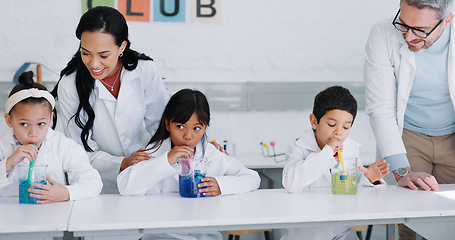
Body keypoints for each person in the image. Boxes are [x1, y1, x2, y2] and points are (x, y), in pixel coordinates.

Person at [52, 6, 169, 193]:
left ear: (122, 47)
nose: (94, 63)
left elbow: (163, 129)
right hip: (98, 183)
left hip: (147, 177)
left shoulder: (145, 71)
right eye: (86, 53)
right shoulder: (70, 85)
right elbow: (79, 151)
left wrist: (201, 147)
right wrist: (122, 163)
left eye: (103, 55)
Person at [117, 89, 261, 240]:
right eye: (180, 126)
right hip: (161, 236)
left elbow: (252, 178)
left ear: (205, 127)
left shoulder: (212, 154)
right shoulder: (152, 153)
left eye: (197, 128)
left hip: (206, 236)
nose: (188, 136)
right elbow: (125, 186)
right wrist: (166, 160)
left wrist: (221, 185)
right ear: (167, 124)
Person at [364, 0, 454, 238]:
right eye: (403, 24)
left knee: (450, 223)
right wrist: (402, 171)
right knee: (410, 222)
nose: (409, 36)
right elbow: (380, 108)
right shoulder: (383, 34)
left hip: (452, 138)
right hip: (408, 138)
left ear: (447, 20)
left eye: (421, 30)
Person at [281, 86, 389, 240]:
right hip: (306, 234)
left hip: (341, 232)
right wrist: (326, 153)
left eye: (346, 127)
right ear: (314, 121)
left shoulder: (350, 149)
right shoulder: (298, 149)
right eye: (332, 125)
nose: (339, 132)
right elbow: (291, 183)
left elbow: (357, 189)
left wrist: (370, 178)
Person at [0, 71, 102, 203]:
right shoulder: (3, 146)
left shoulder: (63, 146)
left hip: (53, 218)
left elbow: (94, 183)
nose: (33, 133)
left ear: (50, 119)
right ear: (9, 120)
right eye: (24, 124)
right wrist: (8, 163)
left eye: (41, 124)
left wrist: (66, 192)